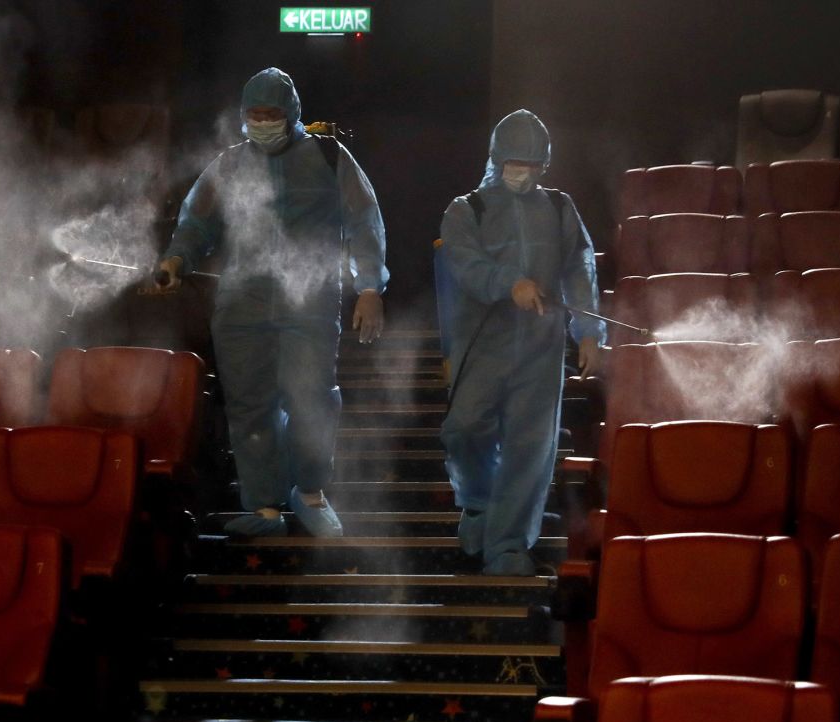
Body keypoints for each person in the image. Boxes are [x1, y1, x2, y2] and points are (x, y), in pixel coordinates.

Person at [156, 67, 388, 537]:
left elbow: (365, 221)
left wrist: (369, 288)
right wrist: (175, 260)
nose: (262, 122)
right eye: (254, 114)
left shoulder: (327, 155)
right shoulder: (229, 164)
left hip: (310, 300)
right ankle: (264, 508)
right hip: (243, 303)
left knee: (312, 399)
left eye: (271, 114)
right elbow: (196, 223)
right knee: (249, 404)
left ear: (292, 113)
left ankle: (310, 493)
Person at [438, 110, 602, 575]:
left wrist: (589, 334)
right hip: (481, 345)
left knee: (530, 447)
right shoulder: (465, 210)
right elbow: (465, 264)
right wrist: (509, 282)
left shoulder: (559, 208)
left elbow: (580, 268)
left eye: (531, 163)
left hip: (540, 347)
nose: (521, 170)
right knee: (465, 428)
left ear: (544, 165)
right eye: (513, 161)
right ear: (495, 158)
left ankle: (508, 544)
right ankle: (477, 504)